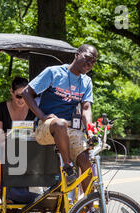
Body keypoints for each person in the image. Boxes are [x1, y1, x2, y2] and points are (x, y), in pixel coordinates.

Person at [22, 44, 97, 194]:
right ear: (77, 55)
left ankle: (90, 211)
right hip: (47, 127)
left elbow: (86, 109)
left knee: (86, 160)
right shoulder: (53, 72)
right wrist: (42, 116)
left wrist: (90, 131)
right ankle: (67, 167)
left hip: (69, 128)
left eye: (93, 62)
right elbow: (26, 93)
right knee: (60, 123)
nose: (89, 64)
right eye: (87, 58)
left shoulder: (86, 81)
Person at [0, 77, 38, 204]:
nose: (22, 100)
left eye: (25, 96)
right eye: (19, 96)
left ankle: (31, 191)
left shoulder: (33, 109)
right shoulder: (1, 108)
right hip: (6, 145)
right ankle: (8, 192)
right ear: (11, 92)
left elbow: (35, 132)